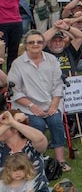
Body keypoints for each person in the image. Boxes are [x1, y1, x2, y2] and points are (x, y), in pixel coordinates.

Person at [7, 30, 69, 172]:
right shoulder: (18, 64)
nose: (36, 44)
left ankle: (60, 161)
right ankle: (38, 158)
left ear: (43, 43)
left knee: (56, 122)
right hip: (27, 106)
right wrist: (31, 106)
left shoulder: (52, 60)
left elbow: (58, 84)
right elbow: (15, 91)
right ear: (26, 45)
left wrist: (54, 104)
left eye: (39, 42)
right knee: (37, 125)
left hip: (51, 103)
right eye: (31, 42)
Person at [0, 111, 49, 192]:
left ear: (15, 129)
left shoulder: (31, 144)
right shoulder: (1, 146)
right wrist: (7, 125)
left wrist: (12, 122)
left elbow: (40, 138)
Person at [0, 0, 25, 70]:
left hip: (16, 25)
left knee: (13, 50)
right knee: (1, 49)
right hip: (2, 25)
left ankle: (12, 72)